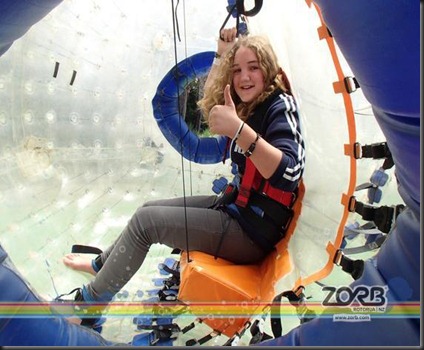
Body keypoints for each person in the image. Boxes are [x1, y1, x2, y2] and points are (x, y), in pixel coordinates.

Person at [61, 28, 305, 327]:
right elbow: (210, 102)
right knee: (147, 209)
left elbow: (290, 173)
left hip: (251, 232)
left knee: (146, 225)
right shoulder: (247, 104)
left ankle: (89, 306)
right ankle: (101, 266)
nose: (244, 77)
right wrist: (220, 55)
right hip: (235, 207)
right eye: (237, 69)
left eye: (253, 68)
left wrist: (239, 131)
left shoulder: (280, 107)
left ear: (268, 69)